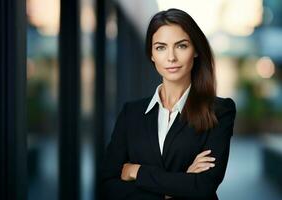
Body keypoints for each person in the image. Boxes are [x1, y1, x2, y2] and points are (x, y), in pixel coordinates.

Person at [101, 8, 236, 200]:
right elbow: (108, 186)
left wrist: (136, 172)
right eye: (161, 47)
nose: (171, 57)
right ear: (151, 54)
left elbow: (203, 187)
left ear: (196, 50)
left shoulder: (219, 111)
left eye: (181, 46)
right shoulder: (131, 113)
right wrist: (175, 187)